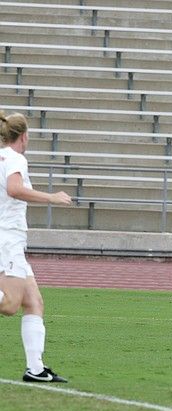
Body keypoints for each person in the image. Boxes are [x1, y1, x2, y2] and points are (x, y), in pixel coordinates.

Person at [0, 111, 72, 383]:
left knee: (34, 302)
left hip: (7, 237)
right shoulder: (16, 158)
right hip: (9, 238)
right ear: (24, 136)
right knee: (9, 304)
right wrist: (51, 197)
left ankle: (36, 368)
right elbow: (14, 189)